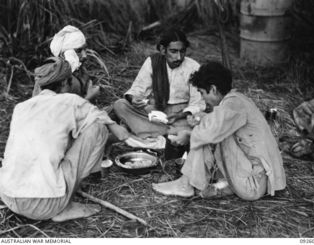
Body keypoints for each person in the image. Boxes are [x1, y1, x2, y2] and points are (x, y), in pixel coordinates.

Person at [0, 58, 129, 221]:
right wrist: (123, 132)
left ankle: (57, 191)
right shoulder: (70, 101)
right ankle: (66, 205)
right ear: (64, 84)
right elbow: (107, 123)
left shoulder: (21, 107)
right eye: (71, 81)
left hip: (8, 195)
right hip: (45, 205)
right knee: (98, 128)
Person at [152, 61, 286, 200]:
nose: (203, 98)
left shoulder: (233, 105)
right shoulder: (237, 100)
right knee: (209, 131)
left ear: (214, 89)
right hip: (258, 177)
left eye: (202, 93)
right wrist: (202, 119)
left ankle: (185, 184)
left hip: (253, 184)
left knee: (209, 135)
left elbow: (209, 133)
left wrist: (188, 135)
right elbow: (218, 121)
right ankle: (207, 183)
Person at [113, 28, 205, 156]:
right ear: (163, 50)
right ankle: (169, 135)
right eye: (173, 51)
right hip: (158, 113)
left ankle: (152, 135)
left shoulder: (193, 67)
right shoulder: (153, 62)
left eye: (182, 51)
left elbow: (198, 103)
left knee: (199, 120)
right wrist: (134, 99)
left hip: (182, 116)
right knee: (120, 105)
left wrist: (181, 115)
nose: (179, 57)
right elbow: (138, 89)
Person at [32, 25, 99, 101]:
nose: (85, 56)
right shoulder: (52, 74)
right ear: (62, 55)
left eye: (85, 49)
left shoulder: (81, 72)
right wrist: (89, 98)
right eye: (79, 51)